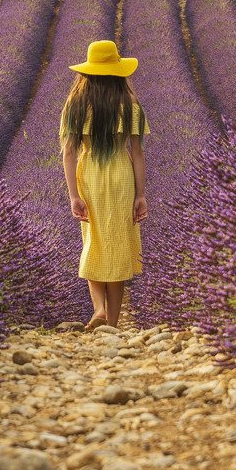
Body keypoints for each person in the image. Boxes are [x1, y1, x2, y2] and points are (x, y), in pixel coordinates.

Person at [59, 40, 151, 331]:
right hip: (121, 175)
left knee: (94, 240)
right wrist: (140, 195)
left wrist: (73, 195)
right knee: (119, 244)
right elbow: (137, 152)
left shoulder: (75, 104)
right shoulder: (130, 104)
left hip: (90, 176)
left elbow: (69, 152)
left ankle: (98, 308)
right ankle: (111, 323)